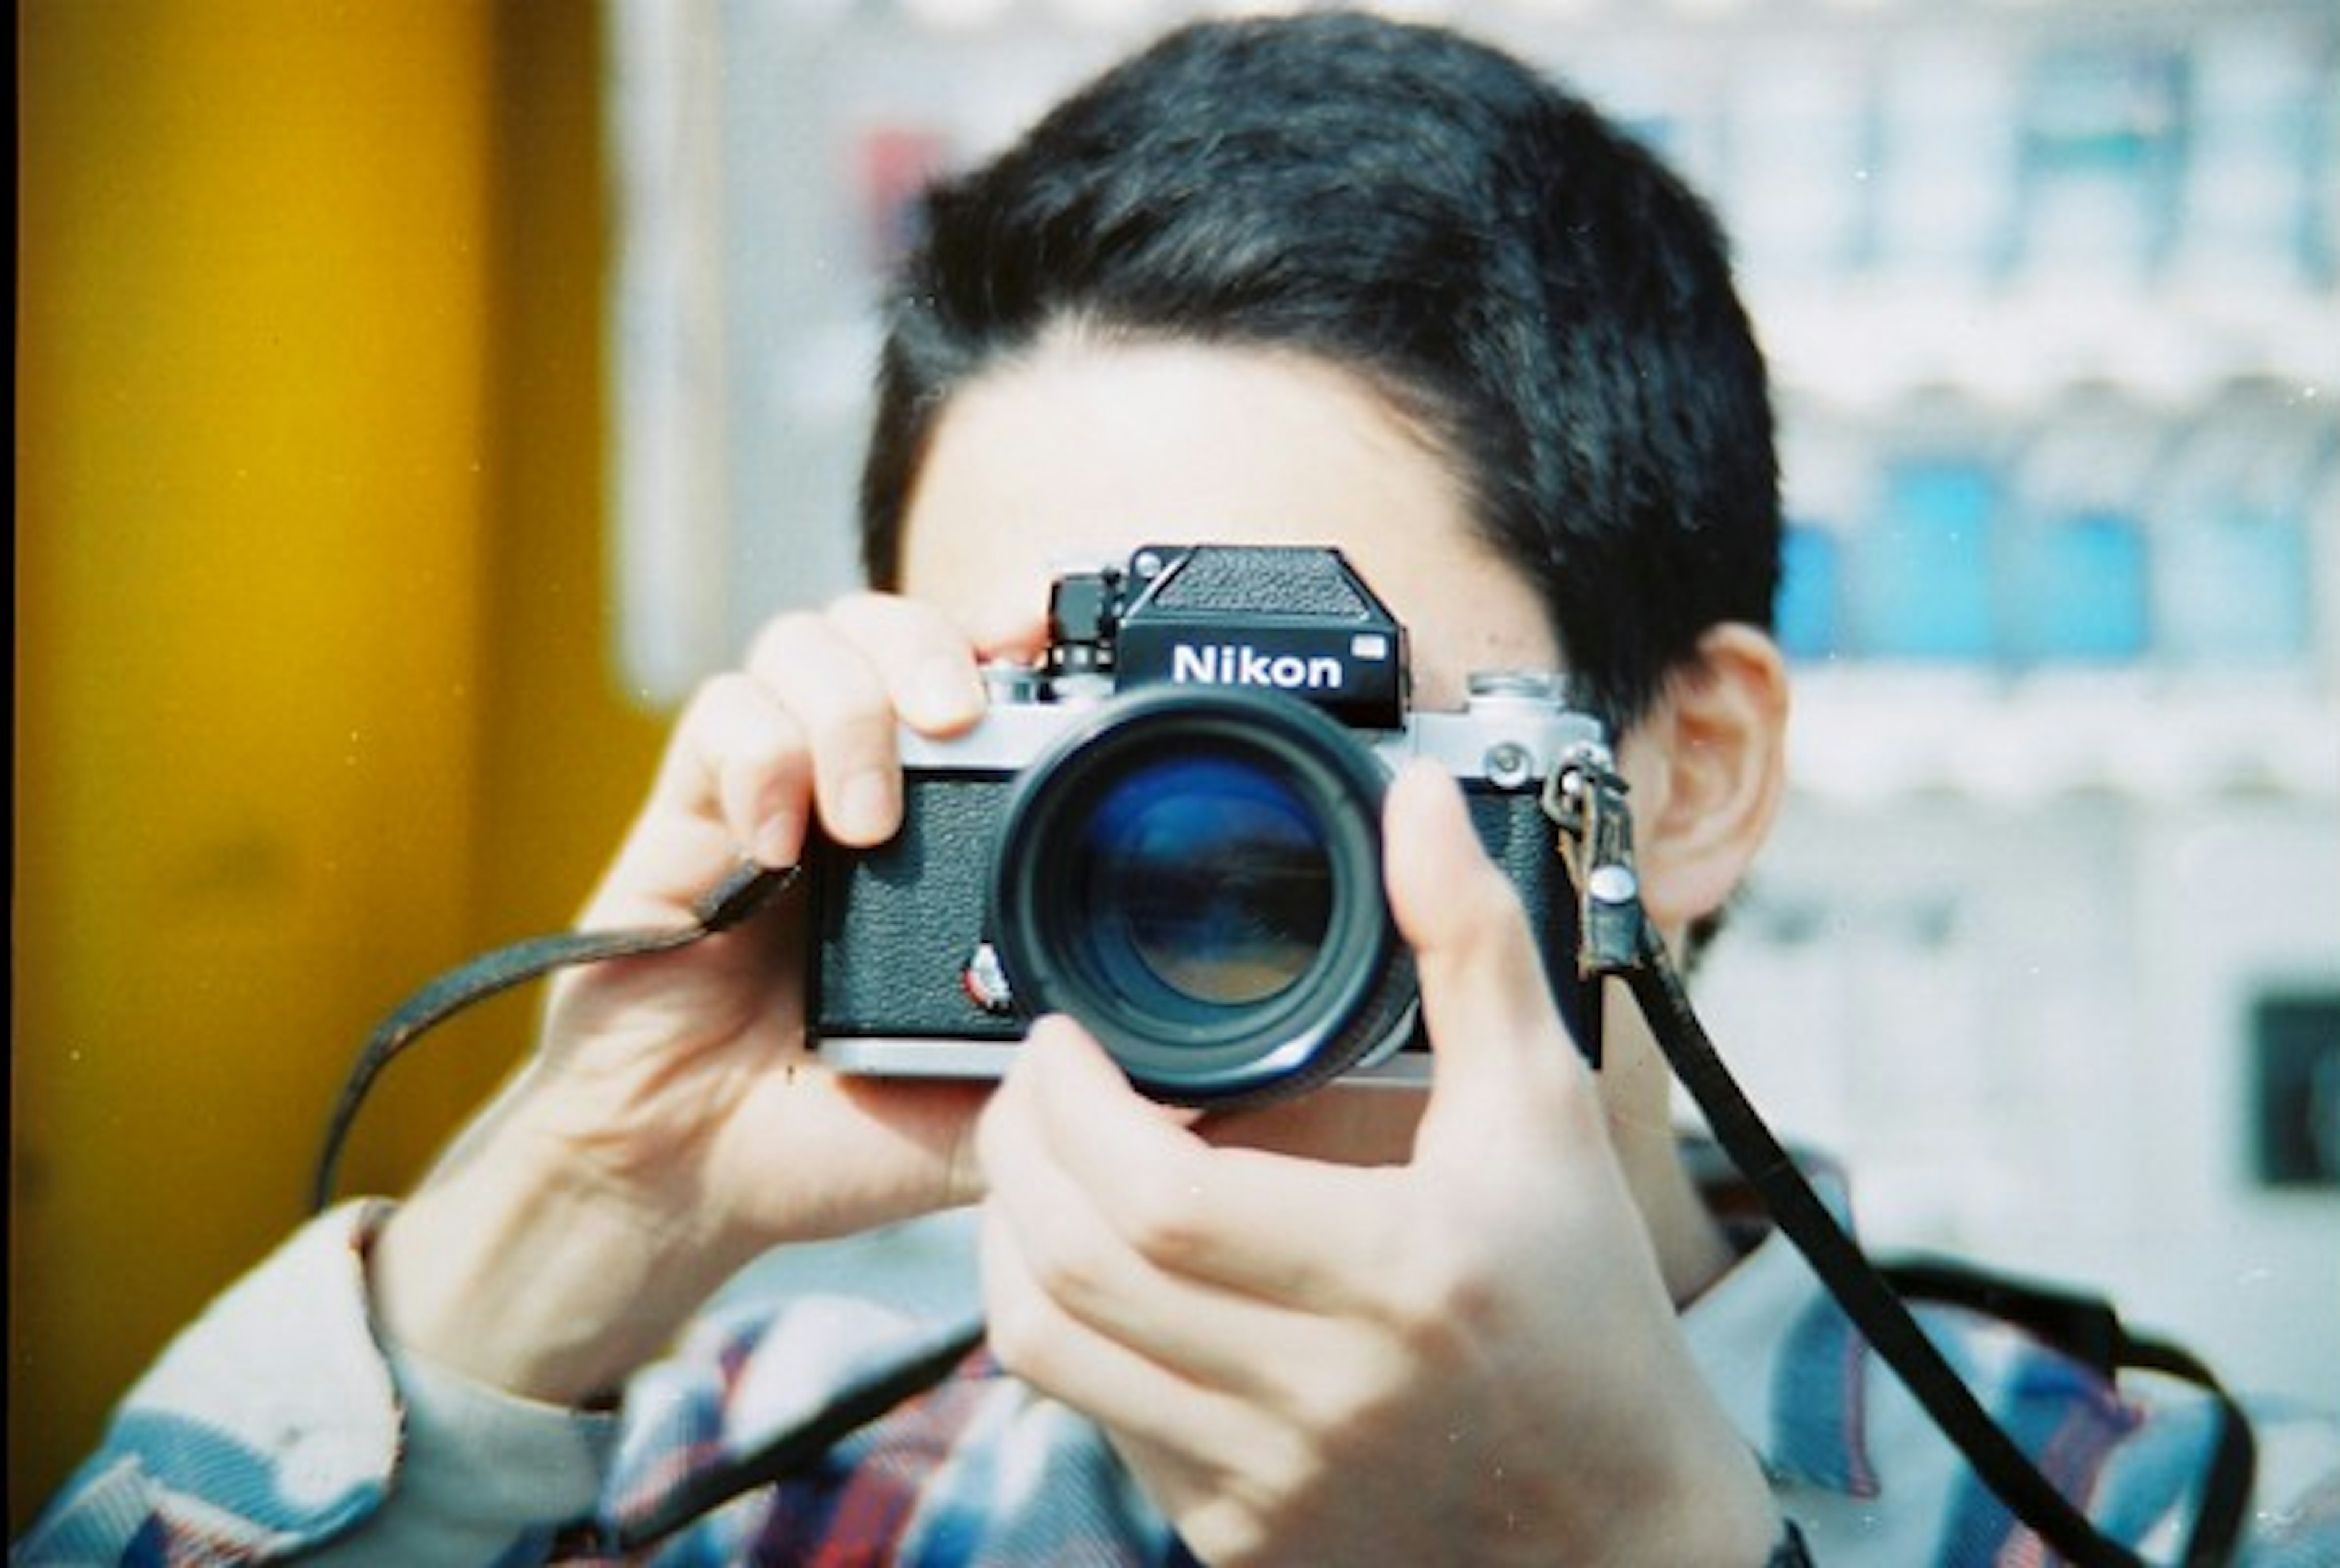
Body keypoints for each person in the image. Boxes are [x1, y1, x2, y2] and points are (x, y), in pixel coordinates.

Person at [18, 12, 2338, 1566]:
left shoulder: (2189, 1516)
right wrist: (575, 1216)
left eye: (1303, 756)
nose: (1186, 892)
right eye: (1056, 757)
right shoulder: (762, 1487)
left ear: (1692, 774)